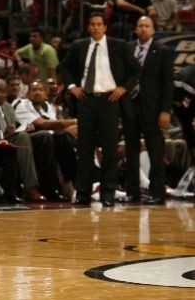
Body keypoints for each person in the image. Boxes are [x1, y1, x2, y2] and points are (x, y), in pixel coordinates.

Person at [58, 11, 141, 206]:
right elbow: (64, 67)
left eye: (99, 24)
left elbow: (136, 70)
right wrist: (72, 87)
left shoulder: (119, 46)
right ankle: (83, 193)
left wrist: (123, 88)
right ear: (88, 27)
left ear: (105, 27)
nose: (95, 27)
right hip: (86, 100)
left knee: (110, 148)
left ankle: (108, 192)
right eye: (92, 24)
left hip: (110, 101)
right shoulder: (79, 46)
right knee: (85, 148)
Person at [121, 15, 174, 205]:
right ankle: (132, 192)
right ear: (135, 29)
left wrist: (165, 111)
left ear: (153, 30)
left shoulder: (163, 51)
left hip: (153, 109)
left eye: (147, 26)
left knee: (156, 152)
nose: (143, 28)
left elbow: (168, 84)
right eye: (140, 25)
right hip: (130, 107)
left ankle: (157, 192)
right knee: (131, 151)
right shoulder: (126, 48)